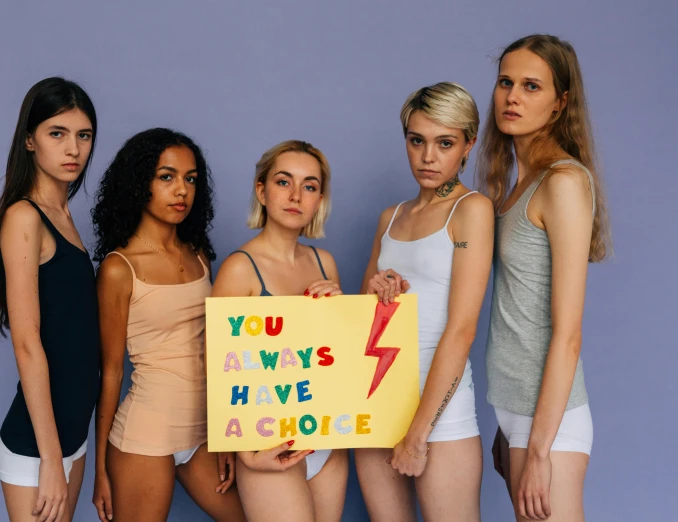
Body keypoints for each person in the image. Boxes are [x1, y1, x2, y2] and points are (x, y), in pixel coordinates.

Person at [480, 34, 611, 522]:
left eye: (532, 86)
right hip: (518, 410)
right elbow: (516, 306)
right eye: (505, 82)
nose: (513, 96)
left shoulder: (564, 182)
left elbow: (568, 334)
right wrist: (507, 422)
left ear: (560, 105)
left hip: (548, 422)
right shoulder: (520, 184)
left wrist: (538, 448)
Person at [90, 128, 245, 522]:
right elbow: (110, 371)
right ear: (139, 183)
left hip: (203, 431)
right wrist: (100, 470)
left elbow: (218, 347)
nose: (182, 191)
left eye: (190, 179)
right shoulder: (118, 268)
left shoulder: (199, 256)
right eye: (167, 177)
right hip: (146, 433)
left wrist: (228, 432)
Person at [355, 83, 493, 521]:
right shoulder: (390, 218)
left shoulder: (471, 210)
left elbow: (463, 328)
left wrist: (418, 434)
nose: (428, 157)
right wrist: (376, 289)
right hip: (377, 402)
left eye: (445, 143)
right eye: (417, 141)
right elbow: (361, 322)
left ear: (469, 144)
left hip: (441, 415)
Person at [0, 77, 100, 522]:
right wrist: (50, 459)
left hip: (74, 435)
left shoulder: (64, 216)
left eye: (83, 135)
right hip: (37, 446)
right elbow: (27, 343)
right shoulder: (24, 217)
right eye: (57, 133)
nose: (73, 149)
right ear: (30, 140)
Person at [210, 140, 348, 522]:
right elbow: (216, 365)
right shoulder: (240, 268)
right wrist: (241, 450)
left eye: (309, 186)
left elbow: (336, 362)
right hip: (267, 442)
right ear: (262, 190)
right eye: (283, 182)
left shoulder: (325, 263)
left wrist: (342, 312)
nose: (295, 195)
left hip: (325, 440)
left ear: (319, 199)